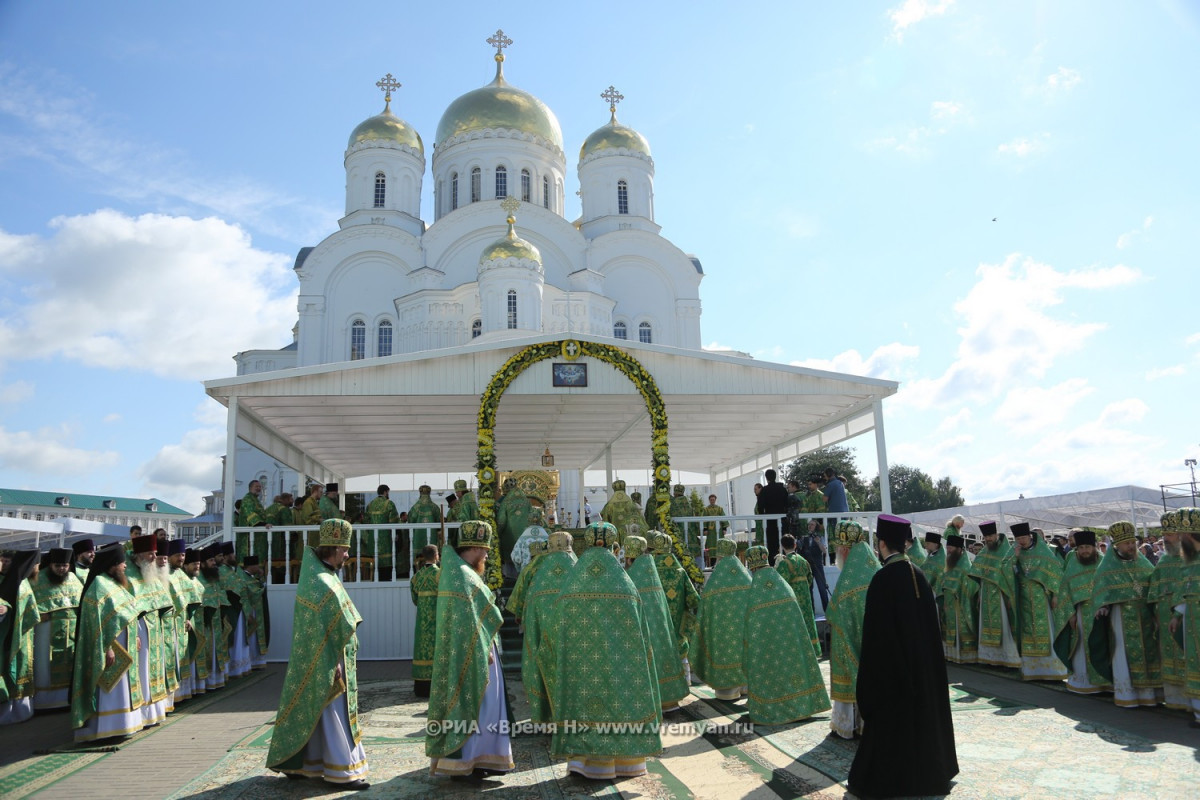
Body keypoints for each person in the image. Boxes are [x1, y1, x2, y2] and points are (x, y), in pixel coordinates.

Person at [847, 514, 958, 799]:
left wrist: (870, 683)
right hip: (923, 675)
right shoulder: (919, 575)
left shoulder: (883, 579)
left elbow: (875, 639)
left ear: (881, 543)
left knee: (889, 736)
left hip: (893, 678)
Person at [541, 521, 662, 779]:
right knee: (621, 699)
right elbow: (642, 631)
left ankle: (585, 763)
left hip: (580, 668)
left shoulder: (572, 584)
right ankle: (627, 762)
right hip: (622, 667)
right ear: (614, 545)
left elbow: (553, 631)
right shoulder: (624, 585)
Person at [267, 519, 368, 789]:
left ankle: (306, 765)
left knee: (319, 713)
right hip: (329, 660)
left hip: (330, 657)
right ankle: (341, 771)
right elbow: (325, 627)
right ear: (333, 548)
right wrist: (333, 661)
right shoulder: (321, 580)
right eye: (345, 549)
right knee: (332, 715)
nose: (348, 555)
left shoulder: (322, 575)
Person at [427, 520, 514, 777]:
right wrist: (481, 647)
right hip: (474, 651)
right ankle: (473, 759)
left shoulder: (456, 571)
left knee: (485, 707)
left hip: (474, 647)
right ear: (475, 547)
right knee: (481, 707)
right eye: (485, 550)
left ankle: (481, 758)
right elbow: (468, 619)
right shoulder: (462, 575)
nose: (486, 555)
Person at [742, 545, 830, 724]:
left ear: (751, 566)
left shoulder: (755, 592)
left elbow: (750, 628)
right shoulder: (783, 586)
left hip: (768, 647)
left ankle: (776, 706)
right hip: (791, 644)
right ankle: (802, 704)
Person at [71, 543, 144, 741]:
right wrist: (107, 648)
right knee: (110, 690)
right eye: (121, 563)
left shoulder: (117, 583)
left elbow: (129, 613)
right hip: (111, 648)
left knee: (123, 688)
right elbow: (96, 624)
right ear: (112, 565)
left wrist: (136, 635)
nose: (125, 567)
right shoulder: (99, 586)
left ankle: (125, 724)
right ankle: (108, 727)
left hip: (127, 644)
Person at [1091, 521, 1161, 708]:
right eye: (1127, 543)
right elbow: (1101, 590)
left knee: (1149, 653)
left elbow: (1153, 586)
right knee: (1123, 653)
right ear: (1117, 545)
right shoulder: (1107, 567)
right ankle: (1127, 695)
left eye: (1133, 542)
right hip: (1120, 617)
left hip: (1145, 617)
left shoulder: (1143, 563)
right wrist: (1103, 605)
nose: (1131, 546)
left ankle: (1148, 695)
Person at [825, 520, 880, 739]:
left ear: (844, 549)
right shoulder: (871, 565)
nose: (837, 553)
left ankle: (848, 724)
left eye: (838, 549)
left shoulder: (849, 576)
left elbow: (835, 611)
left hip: (849, 637)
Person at [624, 535, 689, 712]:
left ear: (629, 556)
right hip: (662, 633)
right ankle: (670, 698)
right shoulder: (651, 572)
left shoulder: (629, 576)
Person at [521, 530, 576, 722]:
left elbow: (527, 607)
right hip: (571, 642)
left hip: (544, 641)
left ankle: (547, 716)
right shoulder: (578, 573)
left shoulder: (539, 578)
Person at [1007, 522, 1068, 681]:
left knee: (1046, 631)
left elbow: (1055, 573)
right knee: (1027, 630)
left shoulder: (1043, 551)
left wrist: (1055, 595)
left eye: (1023, 537)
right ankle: (1031, 671)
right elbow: (1006, 571)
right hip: (1023, 597)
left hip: (1042, 596)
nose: (1021, 540)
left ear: (1029, 536)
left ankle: (1052, 670)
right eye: (1018, 538)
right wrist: (1016, 557)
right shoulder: (1015, 551)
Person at [692, 537, 752, 699]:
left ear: (719, 554)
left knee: (726, 653)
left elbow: (705, 604)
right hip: (744, 630)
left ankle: (729, 692)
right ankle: (746, 686)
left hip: (723, 630)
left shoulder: (717, 578)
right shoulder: (745, 575)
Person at [1052, 530, 1111, 695]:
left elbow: (1109, 586)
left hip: (1102, 613)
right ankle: (1085, 683)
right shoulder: (1072, 562)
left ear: (1095, 547)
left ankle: (1104, 682)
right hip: (1079, 612)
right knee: (1081, 647)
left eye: (1087, 547)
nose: (1084, 551)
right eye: (1081, 547)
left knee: (1104, 645)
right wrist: (1069, 613)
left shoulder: (1104, 562)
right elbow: (1065, 590)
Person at [125, 533, 170, 726]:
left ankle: (154, 712)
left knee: (154, 668)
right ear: (139, 554)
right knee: (142, 669)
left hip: (155, 628)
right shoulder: (129, 577)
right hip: (140, 628)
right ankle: (142, 712)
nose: (154, 557)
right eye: (150, 553)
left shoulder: (151, 574)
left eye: (155, 553)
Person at [30, 547, 83, 710]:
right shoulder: (39, 578)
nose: (62, 569)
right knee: (45, 664)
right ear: (51, 565)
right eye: (58, 566)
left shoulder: (73, 578)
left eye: (65, 566)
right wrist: (39, 614)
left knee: (70, 663)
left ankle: (68, 698)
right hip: (47, 629)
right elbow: (31, 603)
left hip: (72, 628)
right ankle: (45, 702)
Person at [649, 530, 699, 683]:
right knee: (680, 647)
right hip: (678, 624)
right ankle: (685, 681)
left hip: (658, 622)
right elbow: (693, 599)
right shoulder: (680, 571)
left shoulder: (650, 571)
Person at [969, 521, 1020, 669]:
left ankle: (1007, 659)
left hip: (1001, 595)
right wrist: (979, 593)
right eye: (986, 537)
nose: (988, 539)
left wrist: (1009, 595)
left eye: (991, 536)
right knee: (987, 625)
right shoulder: (984, 552)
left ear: (996, 534)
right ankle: (989, 658)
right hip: (986, 595)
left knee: (1004, 626)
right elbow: (978, 574)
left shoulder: (1007, 550)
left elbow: (1012, 574)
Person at [1150, 511, 1188, 710]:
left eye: (1170, 534)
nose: (1165, 538)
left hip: (1186, 614)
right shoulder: (1164, 560)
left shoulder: (1190, 557)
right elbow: (1155, 588)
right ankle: (1175, 699)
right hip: (1165, 616)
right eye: (1164, 534)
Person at [0, 550, 39, 724]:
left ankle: (21, 711)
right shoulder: (18, 582)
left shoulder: (21, 581)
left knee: (21, 667)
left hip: (23, 635)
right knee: (13, 668)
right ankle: (12, 713)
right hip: (16, 633)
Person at [1171, 508, 1200, 726]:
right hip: (1191, 620)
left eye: (1181, 536)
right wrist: (1177, 615)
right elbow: (1184, 589)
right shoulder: (1188, 561)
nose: (1179, 541)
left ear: (1189, 536)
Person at [937, 533, 979, 663]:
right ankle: (953, 655)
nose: (948, 550)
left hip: (960, 602)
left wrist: (958, 591)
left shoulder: (965, 565)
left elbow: (972, 584)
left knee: (961, 627)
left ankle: (967, 656)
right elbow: (943, 581)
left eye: (951, 548)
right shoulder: (949, 563)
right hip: (949, 602)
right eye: (947, 547)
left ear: (959, 549)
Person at [774, 534, 819, 654]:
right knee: (807, 621)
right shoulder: (804, 561)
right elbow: (810, 580)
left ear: (782, 546)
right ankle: (811, 649)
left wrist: (776, 567)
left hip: (792, 599)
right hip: (806, 597)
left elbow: (780, 584)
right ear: (795, 545)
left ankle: (797, 650)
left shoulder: (784, 563)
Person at [409, 544, 440, 699]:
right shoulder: (441, 575)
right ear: (436, 556)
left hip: (421, 622)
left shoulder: (416, 577)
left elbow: (415, 599)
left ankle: (421, 688)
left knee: (422, 650)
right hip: (436, 621)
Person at [496, 477, 535, 570]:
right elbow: (533, 516)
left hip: (509, 535)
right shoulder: (526, 501)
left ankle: (511, 577)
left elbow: (501, 520)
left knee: (510, 557)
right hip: (525, 535)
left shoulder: (506, 501)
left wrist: (498, 532)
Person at [364, 484, 401, 581]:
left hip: (373, 537)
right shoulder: (389, 503)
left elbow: (366, 521)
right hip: (386, 538)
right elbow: (394, 521)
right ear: (385, 492)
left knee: (375, 561)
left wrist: (371, 532)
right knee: (387, 563)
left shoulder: (370, 504)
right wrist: (396, 534)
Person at [755, 469, 789, 560]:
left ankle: (772, 562)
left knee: (771, 544)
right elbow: (787, 504)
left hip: (770, 521)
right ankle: (785, 561)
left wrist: (764, 516)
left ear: (766, 478)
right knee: (783, 542)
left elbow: (760, 506)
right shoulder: (782, 489)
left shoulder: (765, 490)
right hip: (782, 520)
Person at [600, 479, 640, 548]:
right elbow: (638, 518)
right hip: (629, 532)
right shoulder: (631, 504)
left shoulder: (609, 505)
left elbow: (604, 519)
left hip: (614, 533)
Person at [408, 484, 443, 555]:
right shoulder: (435, 507)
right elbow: (439, 522)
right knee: (431, 553)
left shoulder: (415, 508)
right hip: (432, 535)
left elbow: (411, 521)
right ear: (429, 493)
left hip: (418, 536)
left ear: (420, 493)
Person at [668, 484, 697, 557]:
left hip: (679, 531)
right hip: (690, 532)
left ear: (675, 493)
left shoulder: (673, 502)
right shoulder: (687, 502)